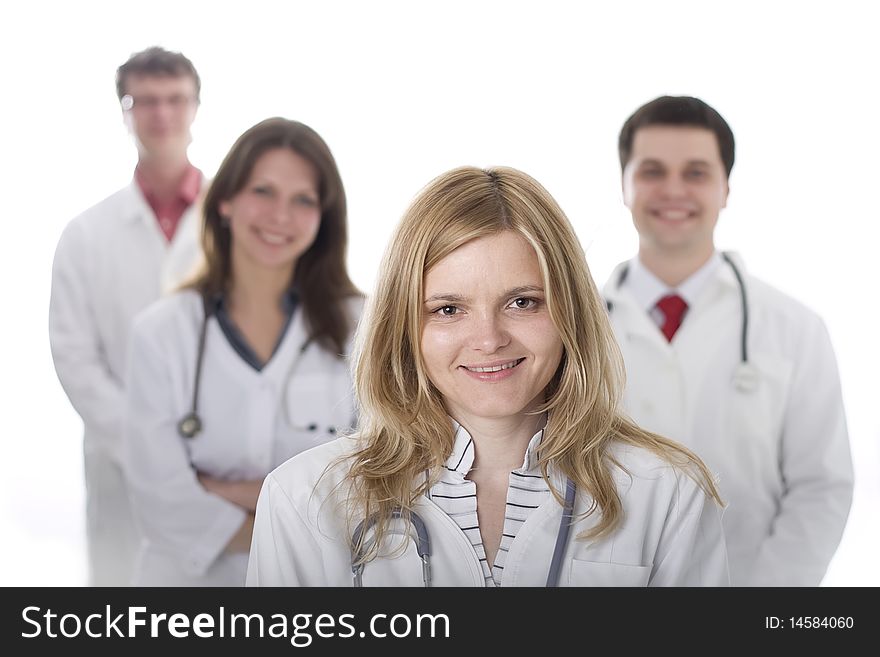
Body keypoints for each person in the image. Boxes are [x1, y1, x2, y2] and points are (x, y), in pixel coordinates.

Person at [246, 166, 729, 587]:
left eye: (522, 302)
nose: (488, 339)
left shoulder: (666, 493)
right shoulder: (304, 499)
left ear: (571, 311)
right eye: (448, 309)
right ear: (402, 327)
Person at [603, 95, 854, 586]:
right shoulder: (574, 328)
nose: (673, 189)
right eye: (652, 171)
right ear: (625, 186)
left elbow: (820, 487)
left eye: (696, 172)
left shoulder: (794, 328)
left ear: (726, 188)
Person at [122, 117, 363, 586]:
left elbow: (376, 485)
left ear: (323, 218)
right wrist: (299, 516)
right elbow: (162, 504)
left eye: (303, 200)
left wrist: (219, 489)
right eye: (263, 192)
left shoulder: (363, 327)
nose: (280, 216)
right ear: (226, 201)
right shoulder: (161, 334)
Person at [49, 46, 205, 586]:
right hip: (120, 467)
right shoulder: (86, 234)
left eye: (175, 99)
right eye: (145, 101)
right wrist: (145, 444)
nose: (161, 114)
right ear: (125, 111)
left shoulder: (237, 224)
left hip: (222, 464)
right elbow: (74, 357)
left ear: (195, 107)